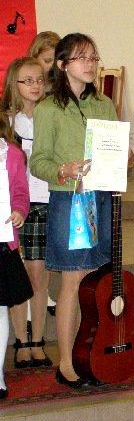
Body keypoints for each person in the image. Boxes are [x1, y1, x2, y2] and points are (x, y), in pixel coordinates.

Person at [30, 33, 118, 388]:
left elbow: (116, 149)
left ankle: (88, 356)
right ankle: (67, 363)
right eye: (82, 58)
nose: (90, 64)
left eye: (94, 58)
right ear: (63, 64)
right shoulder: (48, 109)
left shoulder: (104, 104)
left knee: (93, 281)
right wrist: (62, 171)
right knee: (72, 280)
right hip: (70, 201)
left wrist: (124, 157)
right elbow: (38, 161)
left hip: (101, 197)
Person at [0, 57, 52, 369]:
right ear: (13, 84)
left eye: (39, 80)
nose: (35, 85)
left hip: (44, 199)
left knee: (38, 274)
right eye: (27, 80)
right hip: (9, 207)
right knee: (15, 275)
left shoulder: (51, 114)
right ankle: (21, 340)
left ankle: (38, 341)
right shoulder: (5, 121)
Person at [27, 30, 60, 316]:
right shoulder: (29, 96)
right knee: (29, 252)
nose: (50, 68)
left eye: (54, 61)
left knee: (46, 248)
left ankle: (44, 294)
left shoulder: (59, 96)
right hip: (28, 187)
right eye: (45, 60)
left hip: (51, 184)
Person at [0, 113, 31, 399]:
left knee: (0, 310)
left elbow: (21, 192)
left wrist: (19, 210)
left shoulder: (12, 154)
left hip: (2, 244)